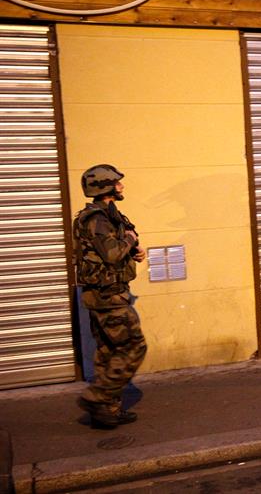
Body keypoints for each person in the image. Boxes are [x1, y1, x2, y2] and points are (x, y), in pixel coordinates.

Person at [74, 164, 147, 428]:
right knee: (134, 346)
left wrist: (135, 250)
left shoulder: (110, 214)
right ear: (105, 187)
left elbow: (120, 246)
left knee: (108, 352)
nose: (121, 186)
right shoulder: (96, 219)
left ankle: (106, 412)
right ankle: (97, 397)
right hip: (108, 296)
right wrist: (129, 241)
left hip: (107, 294)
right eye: (117, 183)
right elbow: (113, 253)